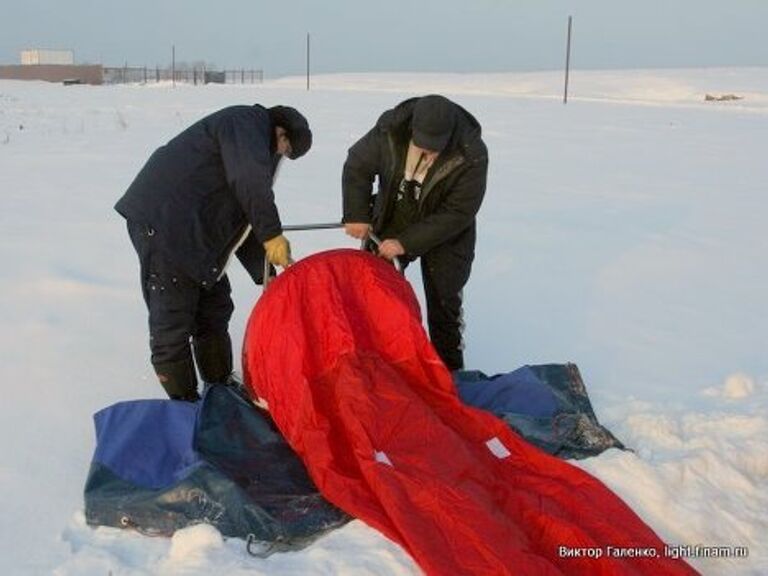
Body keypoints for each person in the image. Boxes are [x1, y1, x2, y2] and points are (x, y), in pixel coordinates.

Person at [115, 104, 312, 401]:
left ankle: (219, 386)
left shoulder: (249, 142)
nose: (282, 154)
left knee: (214, 307)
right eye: (285, 147)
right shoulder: (245, 123)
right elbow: (249, 184)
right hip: (164, 224)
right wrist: (272, 234)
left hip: (195, 229)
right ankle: (186, 404)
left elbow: (242, 216)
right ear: (280, 131)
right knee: (173, 315)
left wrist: (267, 271)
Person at [342, 94, 488, 371]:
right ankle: (378, 363)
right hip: (395, 214)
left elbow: (458, 213)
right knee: (374, 290)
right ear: (412, 130)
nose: (428, 154)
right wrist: (357, 213)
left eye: (435, 149)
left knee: (444, 305)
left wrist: (406, 243)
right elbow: (357, 165)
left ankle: (450, 374)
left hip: (447, 232)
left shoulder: (471, 153)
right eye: (423, 147)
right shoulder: (390, 131)